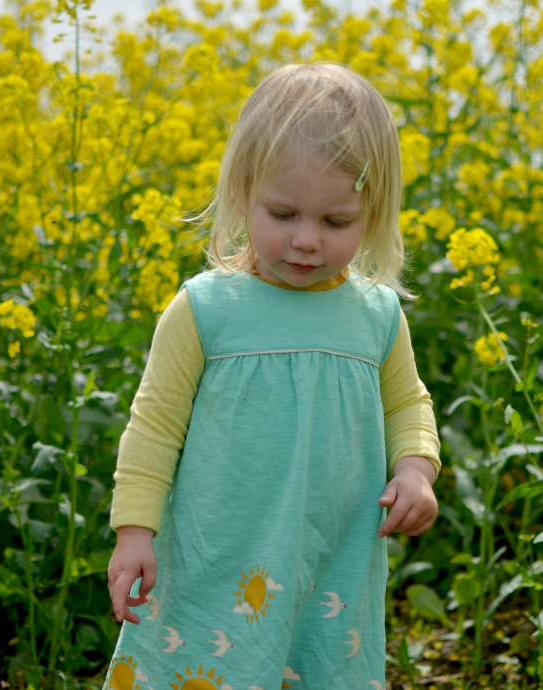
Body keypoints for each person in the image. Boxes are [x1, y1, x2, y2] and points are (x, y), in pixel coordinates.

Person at [103, 62, 440, 690]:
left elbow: (407, 405)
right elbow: (153, 427)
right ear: (242, 194)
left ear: (373, 213)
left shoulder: (376, 316)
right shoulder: (205, 310)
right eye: (283, 214)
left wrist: (416, 469)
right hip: (219, 556)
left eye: (336, 222)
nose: (306, 240)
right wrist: (134, 532)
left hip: (331, 558)